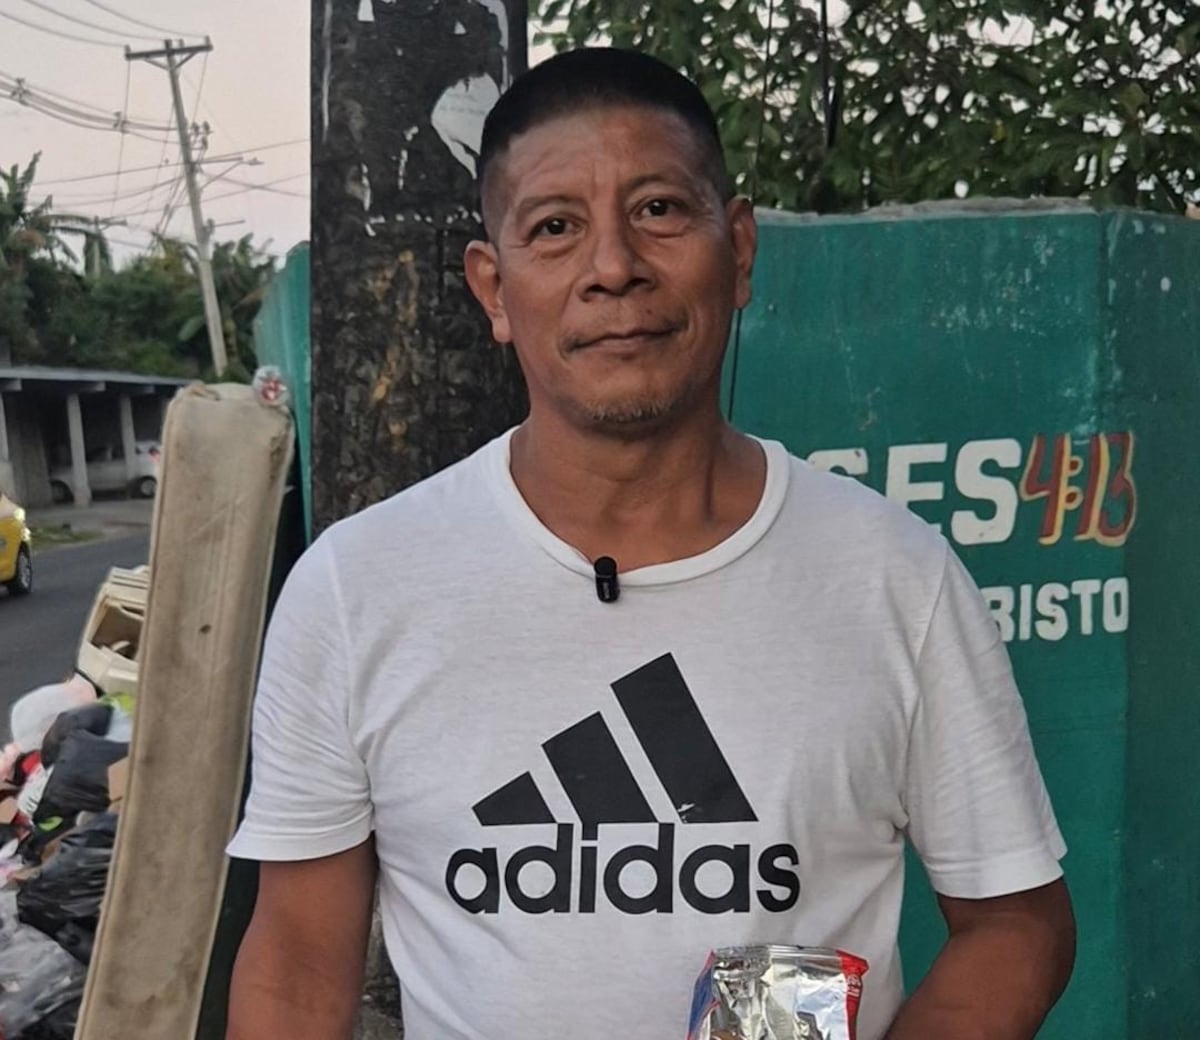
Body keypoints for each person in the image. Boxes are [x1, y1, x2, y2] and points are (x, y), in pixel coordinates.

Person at [225, 47, 1075, 1040]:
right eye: (555, 228)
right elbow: (294, 961)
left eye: (660, 210)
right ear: (495, 289)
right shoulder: (355, 588)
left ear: (741, 249)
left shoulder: (896, 576)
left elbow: (1017, 921)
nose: (614, 267)